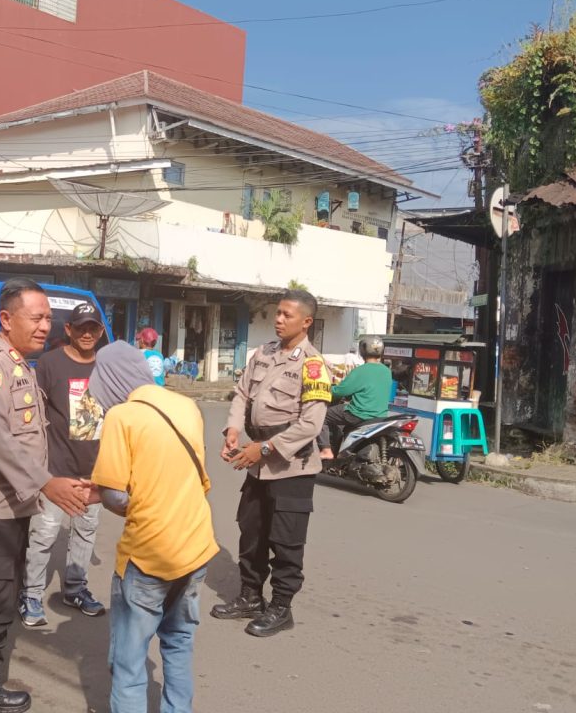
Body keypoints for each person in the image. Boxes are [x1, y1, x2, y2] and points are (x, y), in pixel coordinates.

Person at [0, 278, 93, 713]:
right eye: (37, 317)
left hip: (12, 509)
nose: (45, 326)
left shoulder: (19, 365)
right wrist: (47, 482)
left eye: (49, 318)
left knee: (2, 607)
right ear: (6, 319)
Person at [89, 341, 218, 713]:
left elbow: (115, 497)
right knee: (178, 643)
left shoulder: (122, 417)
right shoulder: (186, 405)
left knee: (130, 663)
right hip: (196, 546)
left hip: (148, 556)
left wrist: (104, 494)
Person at [212, 288, 331, 637]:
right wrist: (233, 430)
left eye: (286, 315)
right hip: (257, 462)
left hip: (291, 466)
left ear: (306, 322)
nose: (278, 320)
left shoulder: (313, 366)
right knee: (251, 531)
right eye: (277, 313)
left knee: (286, 540)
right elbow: (242, 394)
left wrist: (262, 450)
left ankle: (281, 607)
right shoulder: (263, 353)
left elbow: (311, 424)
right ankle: (251, 596)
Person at [18, 302, 107, 627]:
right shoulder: (49, 363)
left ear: (100, 331)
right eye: (80, 327)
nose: (87, 333)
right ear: (68, 330)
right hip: (55, 472)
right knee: (44, 536)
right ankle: (31, 595)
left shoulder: (106, 367)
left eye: (93, 328)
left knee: (85, 534)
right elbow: (31, 415)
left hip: (94, 473)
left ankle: (75, 589)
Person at [317, 335, 392, 460]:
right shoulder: (386, 371)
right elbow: (369, 389)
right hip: (380, 416)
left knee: (321, 415)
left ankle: (326, 450)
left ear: (362, 350)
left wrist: (325, 390)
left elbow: (341, 391)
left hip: (358, 414)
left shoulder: (360, 371)